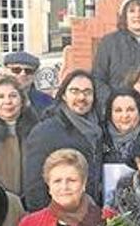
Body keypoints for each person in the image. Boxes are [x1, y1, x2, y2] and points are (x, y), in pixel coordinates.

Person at [23, 69, 105, 211]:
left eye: (87, 92)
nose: (81, 97)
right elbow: (34, 187)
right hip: (58, 218)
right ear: (64, 96)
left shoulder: (99, 129)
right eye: (74, 91)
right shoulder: (45, 132)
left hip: (90, 214)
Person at [102, 88, 140, 165]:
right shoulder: (99, 138)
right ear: (110, 114)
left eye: (130, 110)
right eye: (118, 110)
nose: (125, 116)